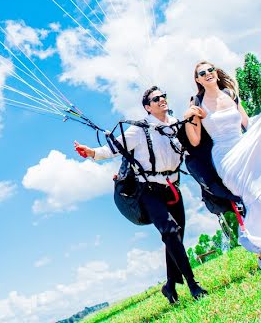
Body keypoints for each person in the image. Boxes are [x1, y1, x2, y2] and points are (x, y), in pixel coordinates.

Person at [74, 87, 208, 304]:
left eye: (164, 95)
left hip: (173, 187)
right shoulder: (139, 129)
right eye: (156, 98)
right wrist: (92, 153)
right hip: (149, 190)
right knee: (170, 232)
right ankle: (193, 285)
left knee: (176, 236)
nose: (162, 99)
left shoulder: (175, 123)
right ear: (147, 106)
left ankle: (170, 286)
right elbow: (114, 147)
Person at [183, 61, 261, 270]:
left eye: (210, 70)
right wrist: (189, 118)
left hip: (244, 146)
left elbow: (247, 123)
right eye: (202, 73)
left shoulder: (230, 94)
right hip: (225, 156)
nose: (207, 74)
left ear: (216, 73)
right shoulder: (198, 103)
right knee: (254, 196)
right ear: (198, 80)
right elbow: (195, 140)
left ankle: (250, 234)